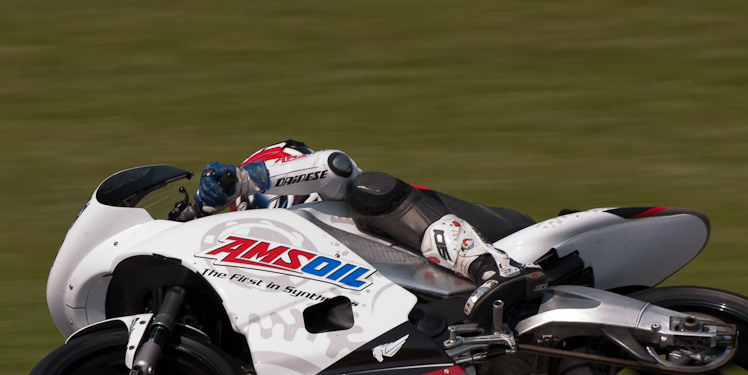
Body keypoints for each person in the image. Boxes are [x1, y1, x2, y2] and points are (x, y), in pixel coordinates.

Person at [193, 140, 547, 321]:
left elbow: (335, 166)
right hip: (437, 301)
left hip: (505, 237)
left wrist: (241, 179)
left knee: (370, 190)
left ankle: (492, 267)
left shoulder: (332, 194)